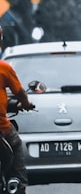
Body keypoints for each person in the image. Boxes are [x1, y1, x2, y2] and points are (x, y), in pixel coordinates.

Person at [0, 26, 35, 194]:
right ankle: (17, 183)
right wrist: (26, 103)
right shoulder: (3, 68)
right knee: (16, 144)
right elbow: (19, 92)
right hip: (2, 127)